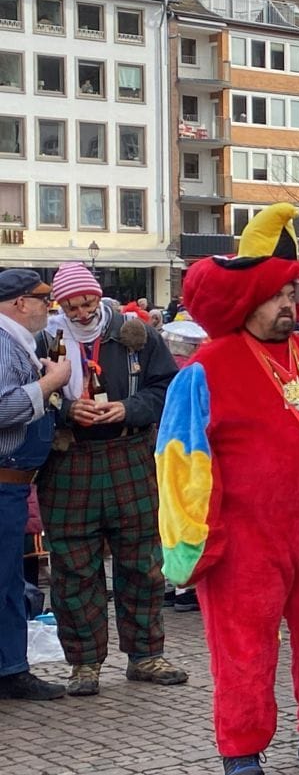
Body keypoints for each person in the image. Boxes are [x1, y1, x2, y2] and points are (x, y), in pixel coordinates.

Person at [156, 204, 299, 775]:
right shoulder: (204, 371)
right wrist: (194, 540)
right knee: (244, 649)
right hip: (245, 538)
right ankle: (243, 747)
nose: (288, 306)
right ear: (242, 302)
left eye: (291, 293)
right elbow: (180, 462)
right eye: (274, 296)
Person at [36, 263, 186, 696]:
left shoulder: (135, 335)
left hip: (128, 453)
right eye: (70, 305)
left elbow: (164, 389)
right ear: (59, 304)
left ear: (96, 296)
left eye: (86, 302)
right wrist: (65, 410)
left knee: (141, 561)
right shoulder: (45, 339)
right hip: (69, 461)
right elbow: (26, 395)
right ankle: (84, 663)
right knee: (72, 567)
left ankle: (145, 656)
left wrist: (128, 408)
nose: (81, 312)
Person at [0, 269, 70, 700]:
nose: (50, 307)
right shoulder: (3, 344)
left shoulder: (17, 342)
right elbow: (3, 409)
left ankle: (11, 666)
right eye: (43, 299)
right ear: (20, 303)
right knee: (4, 580)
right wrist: (50, 383)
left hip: (13, 483)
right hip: (4, 481)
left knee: (8, 580)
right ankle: (10, 669)